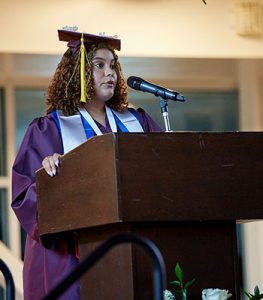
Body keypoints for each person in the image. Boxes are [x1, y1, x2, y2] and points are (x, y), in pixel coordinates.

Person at [11, 28, 162, 300]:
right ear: (78, 74)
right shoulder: (49, 130)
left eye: (113, 66)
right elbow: (25, 195)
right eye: (100, 65)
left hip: (133, 247)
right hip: (73, 256)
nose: (111, 73)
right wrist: (51, 177)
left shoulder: (137, 122)